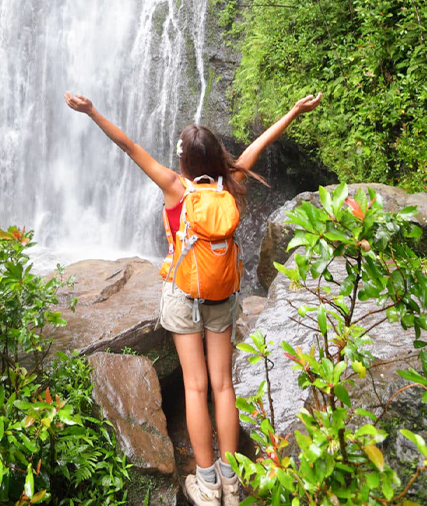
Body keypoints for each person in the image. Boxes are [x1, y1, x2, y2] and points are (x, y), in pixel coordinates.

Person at [63, 91, 322, 506]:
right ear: (218, 157)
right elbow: (259, 145)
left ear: (184, 161)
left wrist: (92, 111)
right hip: (222, 295)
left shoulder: (174, 187)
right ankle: (233, 481)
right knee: (223, 386)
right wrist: (292, 110)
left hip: (185, 296)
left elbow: (129, 147)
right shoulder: (231, 183)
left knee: (195, 385)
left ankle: (205, 484)